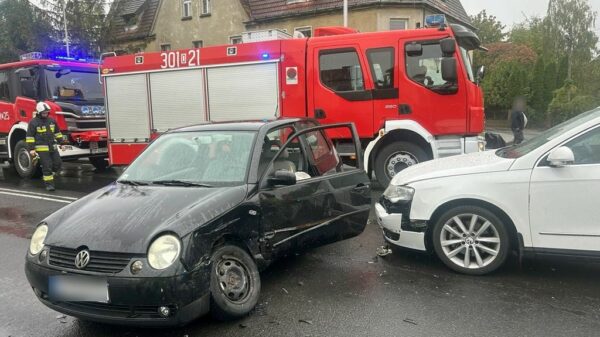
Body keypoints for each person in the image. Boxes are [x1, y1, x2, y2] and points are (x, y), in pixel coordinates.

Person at [26, 102, 67, 191]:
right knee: (47, 165)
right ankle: (49, 185)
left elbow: (57, 133)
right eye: (43, 113)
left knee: (58, 163)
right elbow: (30, 137)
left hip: (53, 146)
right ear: (38, 112)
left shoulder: (52, 121)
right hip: (42, 148)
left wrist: (62, 143)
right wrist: (32, 149)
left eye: (47, 112)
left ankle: (48, 174)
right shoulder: (33, 122)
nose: (45, 114)